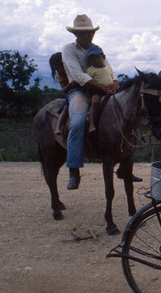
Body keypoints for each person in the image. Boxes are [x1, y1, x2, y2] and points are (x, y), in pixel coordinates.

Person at [62, 14, 120, 189]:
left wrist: (115, 83)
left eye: (90, 32)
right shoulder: (69, 50)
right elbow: (79, 76)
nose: (88, 35)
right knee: (78, 122)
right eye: (84, 33)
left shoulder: (97, 48)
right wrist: (104, 89)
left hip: (104, 89)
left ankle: (125, 161)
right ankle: (73, 168)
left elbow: (108, 69)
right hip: (80, 90)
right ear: (76, 34)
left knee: (125, 112)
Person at [85, 45, 117, 133]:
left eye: (97, 58)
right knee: (95, 102)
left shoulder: (108, 68)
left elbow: (113, 78)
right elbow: (87, 84)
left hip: (109, 90)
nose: (95, 60)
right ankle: (92, 124)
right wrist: (88, 97)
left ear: (103, 57)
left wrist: (114, 86)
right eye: (92, 59)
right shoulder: (90, 70)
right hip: (97, 91)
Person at [49, 52, 79, 135]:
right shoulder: (61, 76)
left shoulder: (72, 70)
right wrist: (71, 85)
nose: (60, 69)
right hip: (72, 94)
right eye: (58, 68)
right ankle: (58, 127)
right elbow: (64, 89)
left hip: (81, 91)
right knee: (66, 108)